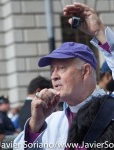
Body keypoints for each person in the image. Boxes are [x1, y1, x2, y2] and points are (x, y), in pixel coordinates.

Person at [14, 3, 114, 150]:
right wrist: (34, 127)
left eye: (61, 68)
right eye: (52, 69)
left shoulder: (111, 108)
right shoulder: (50, 122)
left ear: (85, 71)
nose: (54, 76)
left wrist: (100, 32)